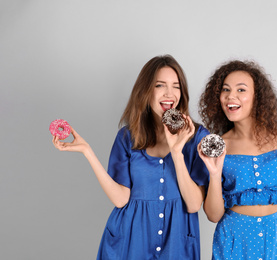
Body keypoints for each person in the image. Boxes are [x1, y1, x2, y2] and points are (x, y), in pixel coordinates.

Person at [52, 55, 209, 259]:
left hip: (177, 243)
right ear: (146, 91)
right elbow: (120, 199)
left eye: (176, 86)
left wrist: (177, 152)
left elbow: (194, 204)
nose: (169, 94)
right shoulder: (128, 137)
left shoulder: (197, 136)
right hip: (131, 241)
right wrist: (87, 152)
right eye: (160, 85)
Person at [198, 60, 277, 260]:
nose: (231, 96)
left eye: (241, 89)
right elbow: (213, 215)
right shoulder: (219, 145)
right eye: (226, 90)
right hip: (235, 239)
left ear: (257, 97)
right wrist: (214, 174)